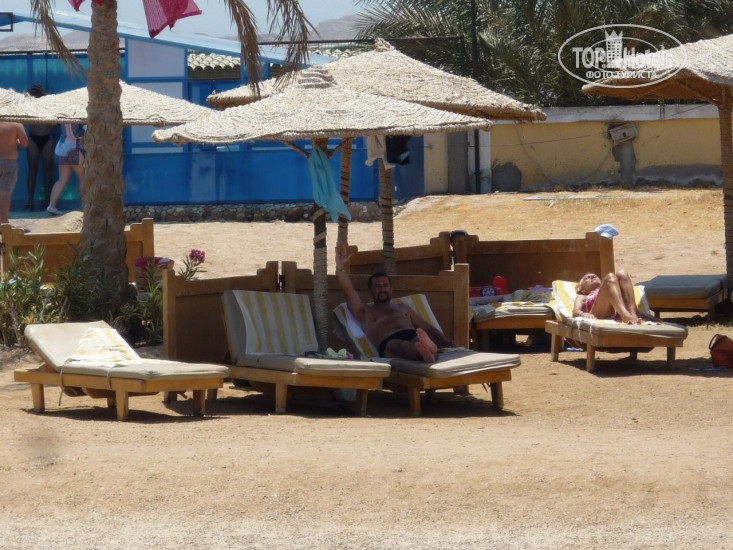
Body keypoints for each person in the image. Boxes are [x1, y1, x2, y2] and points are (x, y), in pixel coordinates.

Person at [334, 243, 454, 362]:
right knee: (401, 346)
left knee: (417, 340)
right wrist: (340, 266)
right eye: (377, 286)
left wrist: (447, 343)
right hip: (388, 342)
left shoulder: (403, 307)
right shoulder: (365, 312)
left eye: (385, 285)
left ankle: (426, 351)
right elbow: (349, 292)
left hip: (411, 335)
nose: (382, 288)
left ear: (391, 289)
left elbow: (427, 327)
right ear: (370, 290)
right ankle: (426, 350)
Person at [573, 270, 655, 324]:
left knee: (622, 273)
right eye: (587, 278)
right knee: (610, 277)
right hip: (599, 314)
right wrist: (583, 314)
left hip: (619, 312)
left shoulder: (614, 289)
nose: (592, 277)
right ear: (583, 289)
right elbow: (575, 311)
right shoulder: (583, 296)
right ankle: (626, 316)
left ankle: (633, 314)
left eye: (594, 276)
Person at [25, 84, 56, 211]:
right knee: (34, 170)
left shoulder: (49, 105)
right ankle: (31, 202)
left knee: (47, 171)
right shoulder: (29, 106)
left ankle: (48, 202)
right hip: (34, 139)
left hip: (47, 138)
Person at [47, 123, 86, 216]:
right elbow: (75, 134)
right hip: (73, 148)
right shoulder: (74, 116)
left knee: (62, 180)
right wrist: (85, 128)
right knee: (84, 178)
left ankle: (52, 206)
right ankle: (85, 207)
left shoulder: (64, 116)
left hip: (61, 147)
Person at [0, 121, 30, 224]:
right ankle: (3, 222)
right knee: (5, 194)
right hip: (9, 162)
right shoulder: (16, 124)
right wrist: (15, 141)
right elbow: (25, 143)